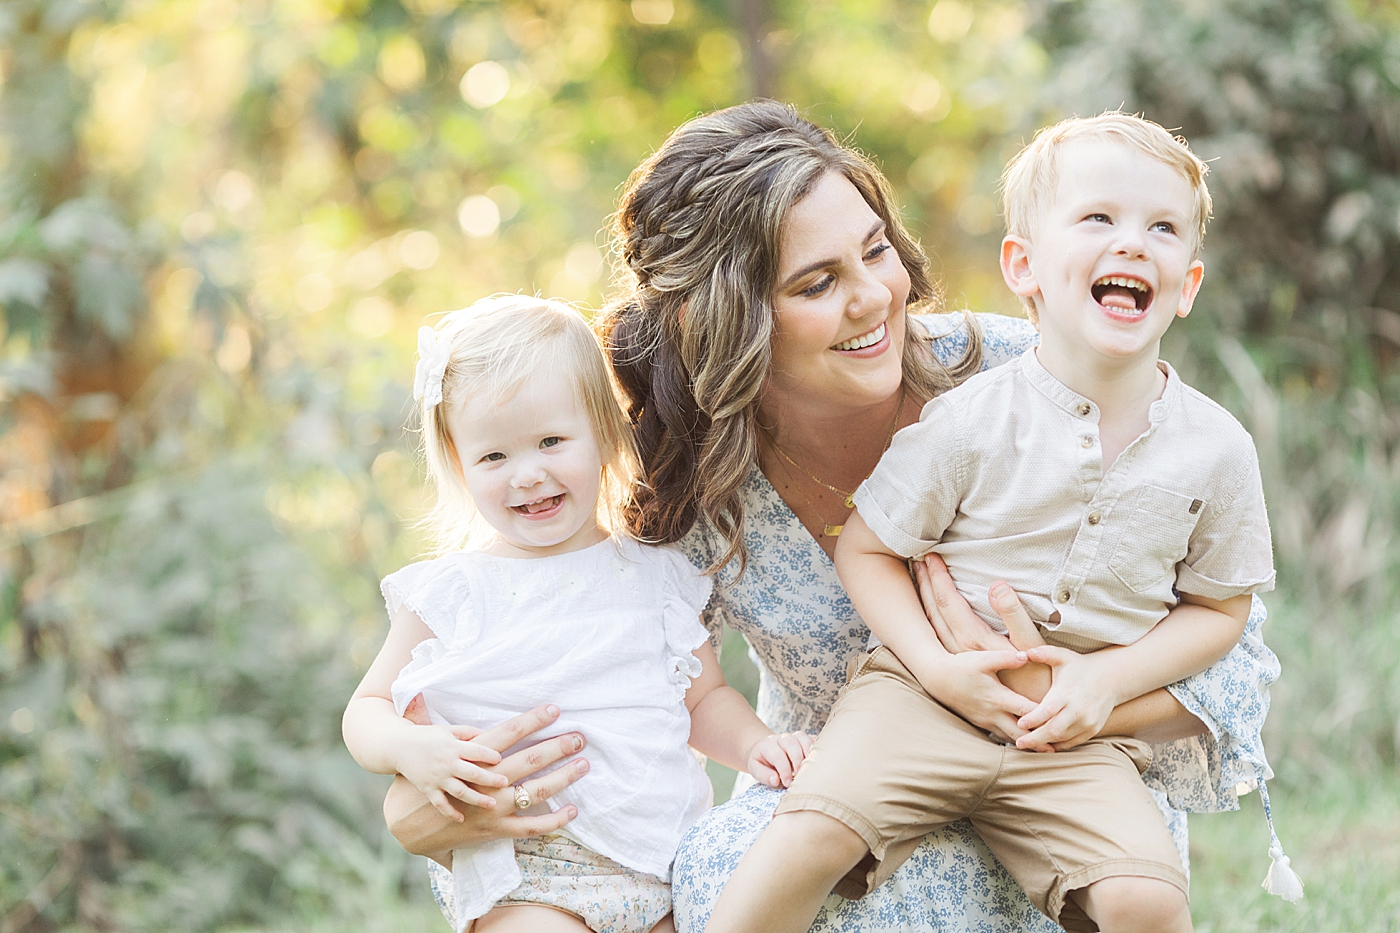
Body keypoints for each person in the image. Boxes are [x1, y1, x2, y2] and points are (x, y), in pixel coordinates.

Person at [385, 101, 1283, 933]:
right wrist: (421, 805)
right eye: (817, 282)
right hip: (850, 778)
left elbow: (1235, 660)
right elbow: (594, 673)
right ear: (730, 317)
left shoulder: (1028, 377)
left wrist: (1068, 699)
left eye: (876, 250)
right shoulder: (693, 483)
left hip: (1067, 771)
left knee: (963, 887)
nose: (874, 298)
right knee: (728, 866)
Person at [702, 113, 1298, 933]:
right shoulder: (970, 417)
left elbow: (1223, 613)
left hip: (1078, 738)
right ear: (1024, 266)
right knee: (803, 843)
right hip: (917, 702)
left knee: (1146, 898)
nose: (1132, 244)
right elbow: (868, 548)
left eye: (1161, 228)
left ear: (1188, 283)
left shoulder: (1218, 449)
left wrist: (1102, 683)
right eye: (1098, 218)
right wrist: (938, 668)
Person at [342, 296, 810, 933]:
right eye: (494, 457)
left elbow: (702, 703)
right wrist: (410, 746)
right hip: (528, 866)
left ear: (604, 434)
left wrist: (757, 745)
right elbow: (365, 710)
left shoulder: (657, 575)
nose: (527, 475)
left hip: (661, 858)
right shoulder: (455, 591)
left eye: (551, 442)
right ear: (459, 463)